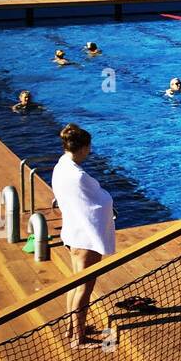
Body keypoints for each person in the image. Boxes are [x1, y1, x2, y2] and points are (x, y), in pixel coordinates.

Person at [51, 124, 115, 349]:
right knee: (84, 288)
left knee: (74, 284)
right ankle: (78, 339)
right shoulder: (78, 176)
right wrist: (110, 205)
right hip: (85, 238)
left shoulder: (61, 166)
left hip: (71, 233)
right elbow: (101, 201)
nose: (89, 151)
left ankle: (72, 328)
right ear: (83, 147)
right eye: (89, 147)